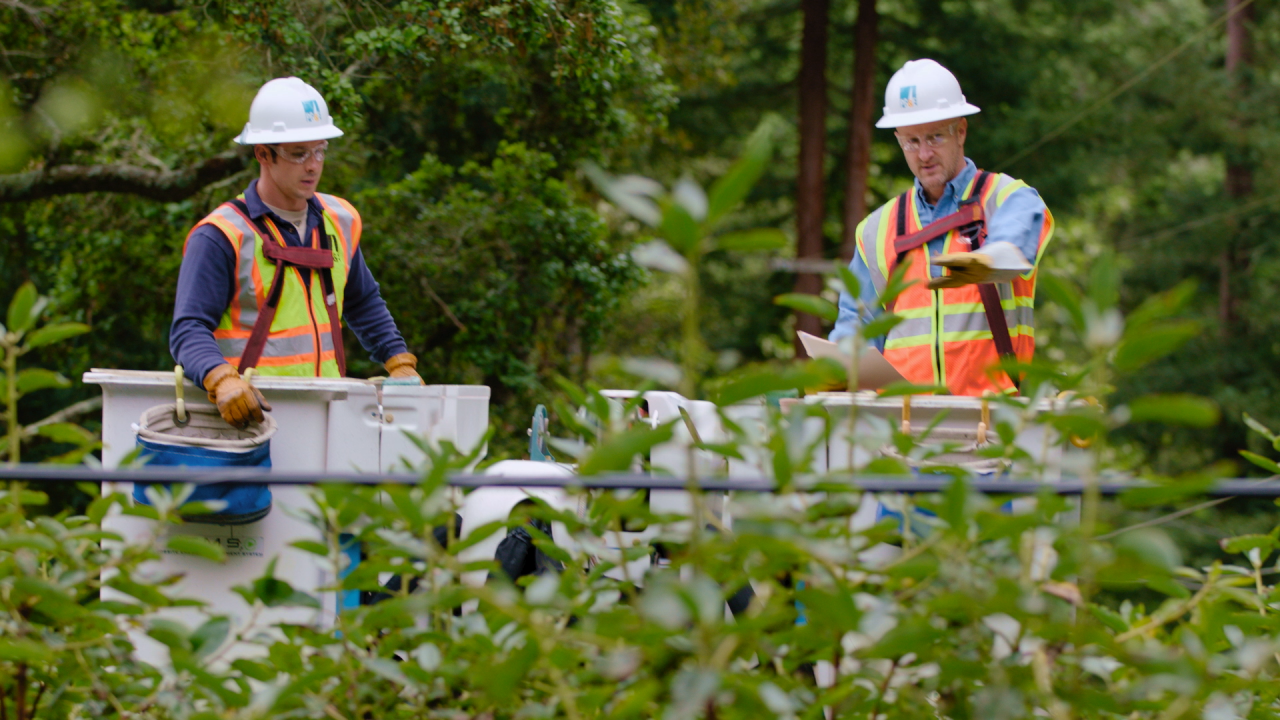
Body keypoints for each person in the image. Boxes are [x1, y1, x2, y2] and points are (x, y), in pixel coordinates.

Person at [171, 77, 422, 428]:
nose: (313, 165)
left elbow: (363, 301)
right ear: (263, 154)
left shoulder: (339, 222)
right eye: (298, 153)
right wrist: (219, 378)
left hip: (326, 413)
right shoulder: (222, 235)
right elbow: (189, 328)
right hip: (248, 418)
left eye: (320, 150)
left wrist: (399, 361)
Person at [831, 59, 1055, 396]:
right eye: (911, 141)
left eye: (934, 137)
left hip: (992, 421)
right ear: (898, 140)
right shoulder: (877, 229)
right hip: (903, 425)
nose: (923, 154)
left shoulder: (1010, 199)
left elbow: (1011, 256)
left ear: (960, 131)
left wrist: (952, 274)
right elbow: (856, 329)